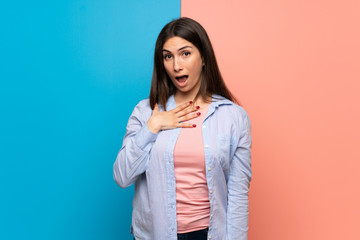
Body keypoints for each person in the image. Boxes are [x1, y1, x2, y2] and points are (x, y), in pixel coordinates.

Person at [113, 17, 252, 240]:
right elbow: (122, 176)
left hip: (208, 234)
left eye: (185, 53)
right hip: (155, 234)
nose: (176, 65)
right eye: (168, 56)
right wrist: (153, 127)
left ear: (204, 57)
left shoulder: (233, 117)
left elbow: (237, 194)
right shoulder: (145, 112)